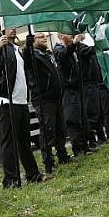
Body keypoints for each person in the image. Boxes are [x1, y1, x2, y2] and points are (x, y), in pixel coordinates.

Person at [0, 27, 49, 188]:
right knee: (10, 142)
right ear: (1, 29)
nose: (13, 28)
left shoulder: (16, 48)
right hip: (7, 102)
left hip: (21, 101)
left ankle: (33, 174)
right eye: (9, 26)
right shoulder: (0, 47)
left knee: (24, 142)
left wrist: (29, 46)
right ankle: (11, 180)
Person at [23, 32, 74, 175]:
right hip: (44, 99)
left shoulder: (47, 54)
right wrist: (28, 46)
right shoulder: (33, 55)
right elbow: (27, 59)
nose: (44, 38)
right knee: (48, 131)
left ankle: (62, 155)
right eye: (40, 37)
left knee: (60, 129)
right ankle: (48, 162)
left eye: (45, 36)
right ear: (33, 41)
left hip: (56, 97)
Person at [53, 33, 93, 155]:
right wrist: (74, 43)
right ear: (60, 36)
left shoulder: (74, 48)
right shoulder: (58, 49)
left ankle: (85, 146)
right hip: (68, 89)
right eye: (67, 33)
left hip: (77, 87)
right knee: (73, 118)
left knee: (82, 118)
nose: (71, 35)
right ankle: (78, 148)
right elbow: (64, 56)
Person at [74, 34, 108, 148]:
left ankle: (101, 136)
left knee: (98, 111)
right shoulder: (79, 47)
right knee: (91, 113)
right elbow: (90, 51)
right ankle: (93, 139)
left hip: (94, 83)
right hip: (87, 84)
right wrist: (105, 45)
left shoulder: (83, 46)